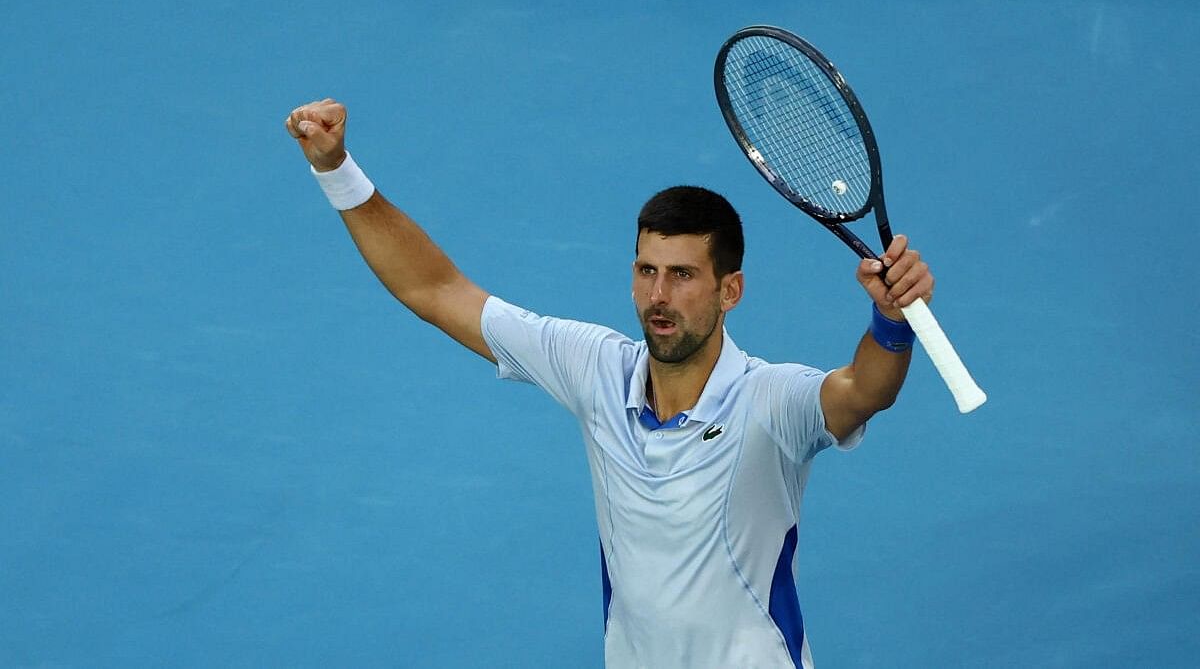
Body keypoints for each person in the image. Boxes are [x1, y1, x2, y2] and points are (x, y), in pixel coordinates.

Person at [284, 98, 934, 669]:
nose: (658, 295)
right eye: (647, 270)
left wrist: (890, 320)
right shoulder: (595, 367)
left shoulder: (769, 402)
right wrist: (336, 170)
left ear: (730, 290)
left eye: (682, 275)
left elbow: (863, 391)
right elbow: (435, 288)